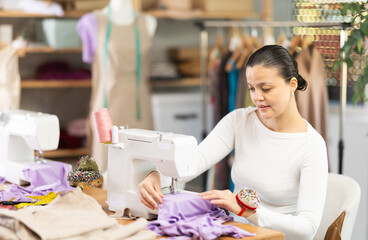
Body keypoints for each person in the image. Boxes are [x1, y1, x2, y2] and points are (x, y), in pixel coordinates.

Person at [138, 45, 328, 240]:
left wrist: (246, 211)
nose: (257, 98)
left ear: (292, 85)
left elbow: (308, 228)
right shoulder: (239, 121)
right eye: (252, 88)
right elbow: (194, 161)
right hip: (237, 233)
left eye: (266, 88)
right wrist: (157, 176)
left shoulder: (311, 145)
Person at [77, 0, 157, 172]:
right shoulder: (91, 22)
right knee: (105, 169)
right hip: (107, 107)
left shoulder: (149, 22)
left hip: (139, 108)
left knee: (142, 169)